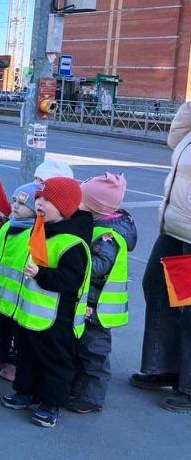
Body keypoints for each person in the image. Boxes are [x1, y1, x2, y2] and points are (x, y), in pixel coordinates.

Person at [1, 177, 91, 429]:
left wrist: (41, 274)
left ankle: (51, 404)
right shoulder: (40, 228)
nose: (40, 203)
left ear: (64, 207)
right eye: (39, 198)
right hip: (30, 312)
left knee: (54, 361)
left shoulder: (73, 242)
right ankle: (25, 391)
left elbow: (71, 281)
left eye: (48, 200)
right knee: (26, 354)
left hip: (56, 317)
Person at [131, 101, 191, 412]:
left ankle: (188, 386)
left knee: (189, 307)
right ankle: (165, 366)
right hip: (176, 228)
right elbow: (174, 140)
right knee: (157, 288)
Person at [69, 173, 136, 413]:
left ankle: (92, 398)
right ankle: (78, 389)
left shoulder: (107, 236)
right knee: (80, 349)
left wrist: (75, 257)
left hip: (98, 309)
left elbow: (98, 266)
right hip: (90, 303)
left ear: (94, 207)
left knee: (94, 354)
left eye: (80, 200)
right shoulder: (100, 227)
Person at [0, 182, 40, 383]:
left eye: (22, 203)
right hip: (1, 290)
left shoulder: (36, 232)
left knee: (18, 331)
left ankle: (15, 362)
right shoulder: (8, 226)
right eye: (14, 201)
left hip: (19, 295)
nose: (15, 206)